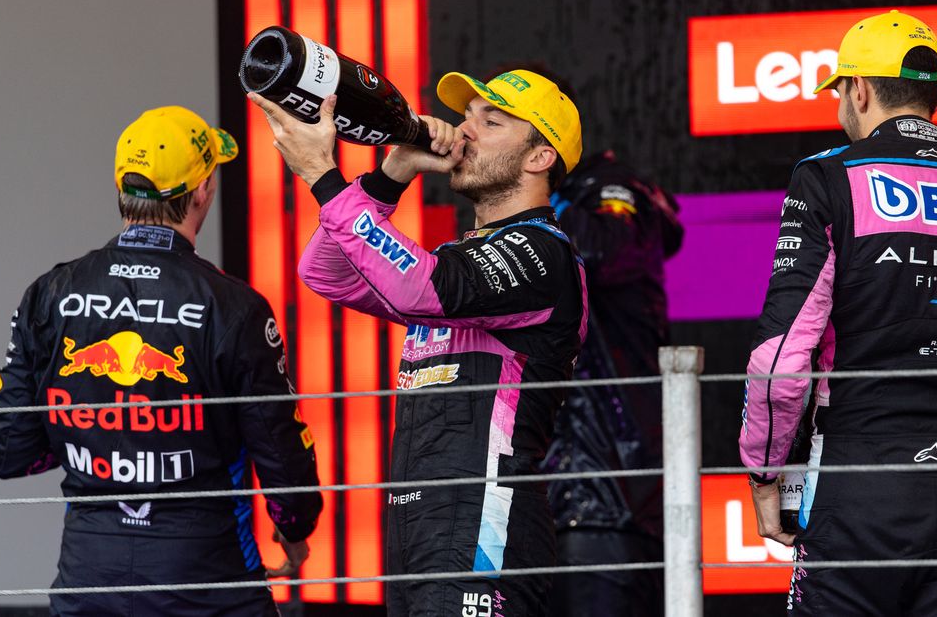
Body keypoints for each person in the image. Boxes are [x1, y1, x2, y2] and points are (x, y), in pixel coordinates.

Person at [248, 68, 587, 617]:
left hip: (484, 531)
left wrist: (321, 173)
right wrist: (391, 174)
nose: (464, 129)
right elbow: (325, 273)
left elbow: (417, 287)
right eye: (467, 114)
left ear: (538, 158)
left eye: (491, 120)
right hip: (418, 531)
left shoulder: (542, 253)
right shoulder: (463, 257)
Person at [738, 10, 937, 614]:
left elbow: (779, 364)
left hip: (858, 493)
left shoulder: (829, 177)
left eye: (839, 93)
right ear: (935, 92)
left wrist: (765, 474)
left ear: (858, 88)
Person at [0, 106, 323, 616]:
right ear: (203, 190)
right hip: (209, 584)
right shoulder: (233, 306)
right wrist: (295, 530)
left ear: (122, 187)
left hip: (88, 585)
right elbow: (281, 454)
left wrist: (94, 433)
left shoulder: (50, 293)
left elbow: (9, 448)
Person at [542, 149, 683, 616]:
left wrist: (533, 197)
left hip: (604, 489)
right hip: (544, 494)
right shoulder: (560, 199)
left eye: (493, 120)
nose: (470, 135)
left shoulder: (601, 188)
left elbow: (605, 252)